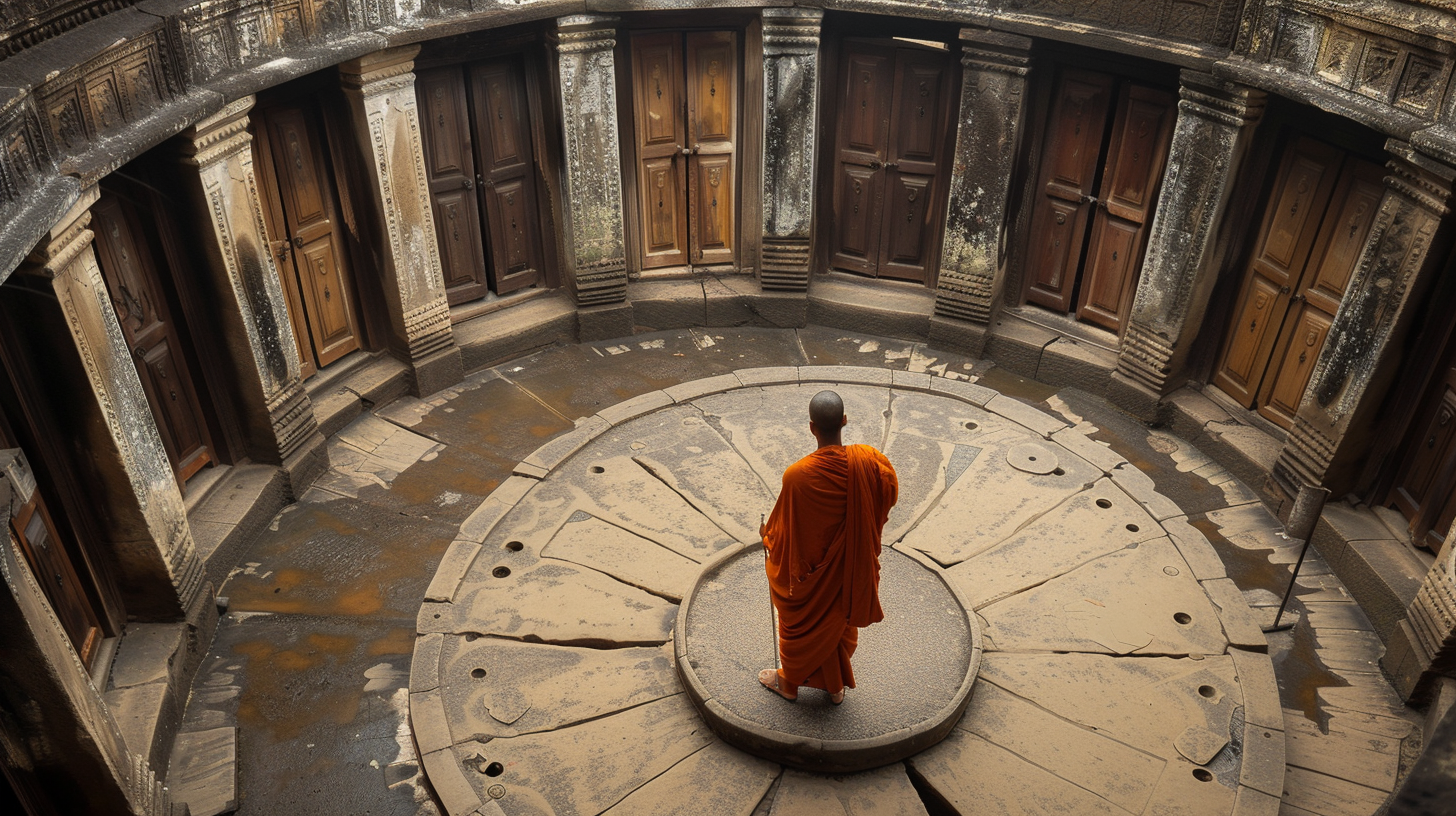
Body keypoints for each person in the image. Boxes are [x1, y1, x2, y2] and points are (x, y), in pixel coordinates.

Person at [757, 389, 898, 704]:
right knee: (836, 621)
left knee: (802, 616)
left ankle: (789, 683)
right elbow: (885, 500)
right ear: (844, 421)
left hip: (813, 574)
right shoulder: (871, 463)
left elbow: (785, 532)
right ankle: (834, 687)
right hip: (849, 567)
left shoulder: (798, 476)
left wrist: (768, 537)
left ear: (811, 427)